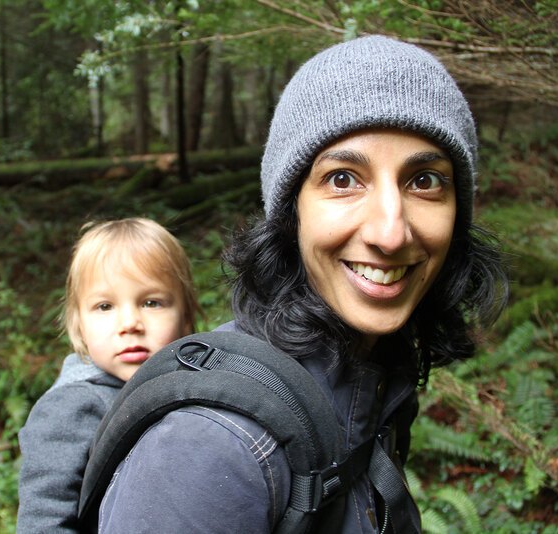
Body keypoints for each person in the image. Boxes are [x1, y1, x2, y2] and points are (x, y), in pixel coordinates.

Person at [96, 35, 508, 533]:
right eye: (342, 179)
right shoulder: (208, 449)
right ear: (290, 213)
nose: (390, 232)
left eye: (424, 180)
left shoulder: (375, 380)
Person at [16, 218, 200, 533]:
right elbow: (43, 517)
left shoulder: (191, 389)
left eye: (151, 302)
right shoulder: (73, 407)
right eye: (104, 306)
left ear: (185, 318)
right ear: (79, 327)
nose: (130, 323)